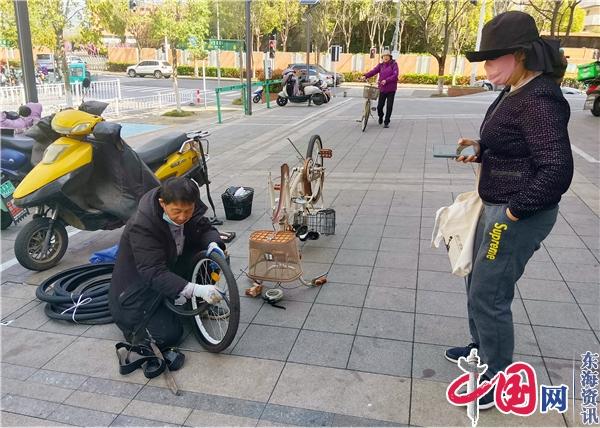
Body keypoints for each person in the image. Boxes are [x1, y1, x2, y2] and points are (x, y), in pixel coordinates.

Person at [447, 11, 573, 409]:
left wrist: (515, 213)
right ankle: (481, 349)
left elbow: (557, 168)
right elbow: (515, 144)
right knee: (475, 279)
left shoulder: (539, 99)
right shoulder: (515, 90)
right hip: (497, 204)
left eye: (491, 58)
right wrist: (481, 149)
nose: (486, 67)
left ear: (519, 55)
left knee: (490, 290)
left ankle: (497, 375)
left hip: (515, 215)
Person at [108, 177, 226, 369]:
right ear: (163, 203)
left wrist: (215, 244)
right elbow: (152, 272)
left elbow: (205, 228)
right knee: (170, 334)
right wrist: (195, 289)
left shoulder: (188, 209)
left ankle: (194, 301)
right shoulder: (143, 225)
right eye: (177, 211)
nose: (182, 217)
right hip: (136, 290)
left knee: (210, 256)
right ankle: (140, 326)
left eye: (187, 211)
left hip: (167, 266)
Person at [361, 50, 399, 128]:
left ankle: (386, 121)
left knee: (389, 106)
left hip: (391, 89)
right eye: (384, 56)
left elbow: (395, 75)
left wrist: (386, 80)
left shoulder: (394, 65)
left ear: (390, 57)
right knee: (379, 107)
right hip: (382, 88)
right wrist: (365, 76)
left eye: (387, 56)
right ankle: (381, 116)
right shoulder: (381, 65)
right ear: (382, 57)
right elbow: (373, 71)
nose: (385, 57)